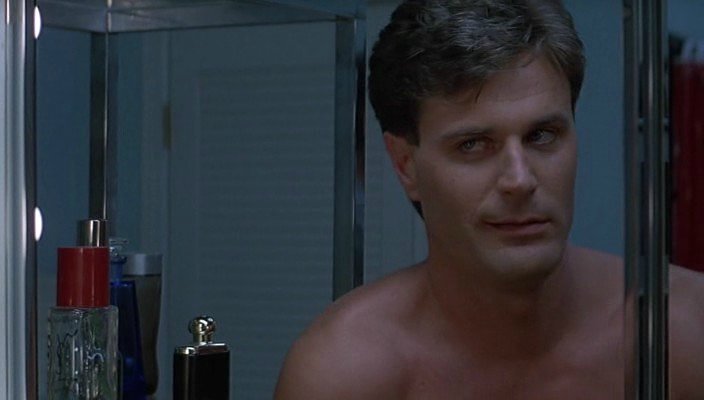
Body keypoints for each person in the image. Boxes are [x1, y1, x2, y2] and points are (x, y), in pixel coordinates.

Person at [274, 0, 704, 398]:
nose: (519, 180)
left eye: (542, 135)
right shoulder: (345, 372)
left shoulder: (682, 331)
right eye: (473, 145)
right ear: (406, 165)